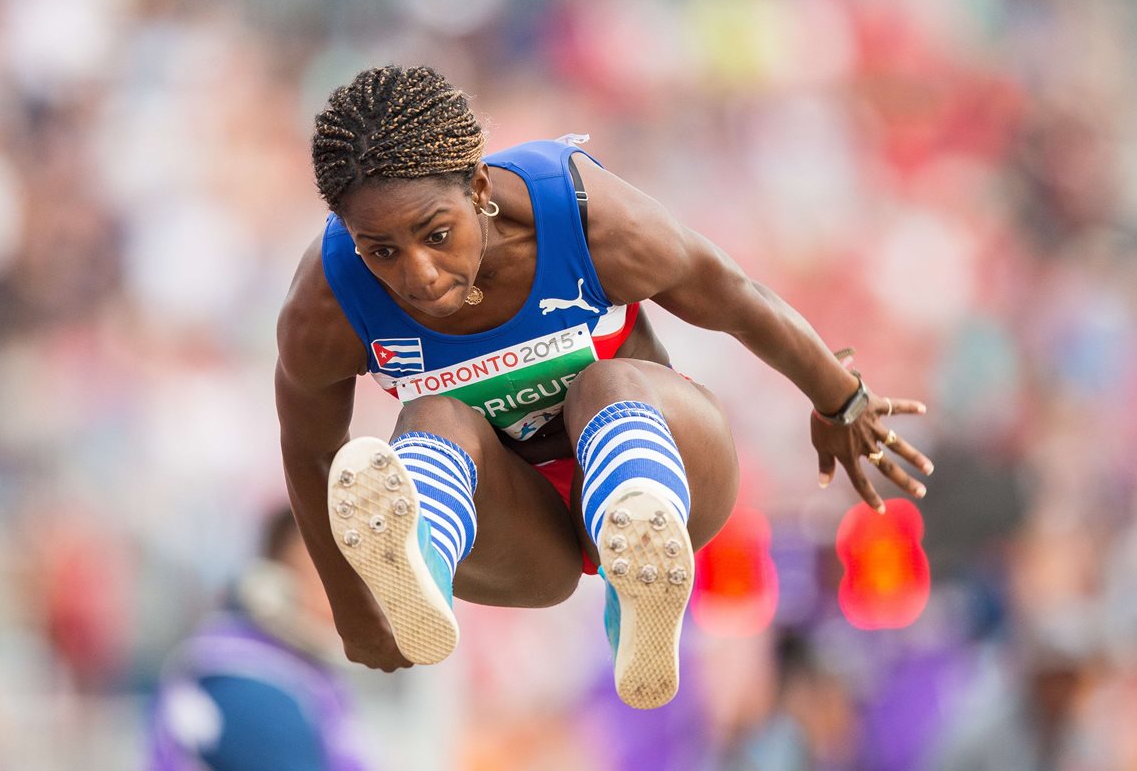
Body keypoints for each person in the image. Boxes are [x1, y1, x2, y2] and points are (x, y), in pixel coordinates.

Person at [275, 65, 933, 709]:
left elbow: (735, 297)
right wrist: (352, 606)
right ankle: (419, 567)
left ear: (478, 186)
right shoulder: (329, 302)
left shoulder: (585, 219)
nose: (417, 273)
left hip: (668, 465)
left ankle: (638, 566)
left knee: (606, 382)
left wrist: (839, 399)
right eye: (380, 251)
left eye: (436, 234)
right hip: (523, 532)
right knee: (433, 414)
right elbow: (310, 450)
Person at [147, 508, 367, 771]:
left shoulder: (286, 672)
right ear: (276, 586)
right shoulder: (248, 686)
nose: (348, 597)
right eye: (327, 580)